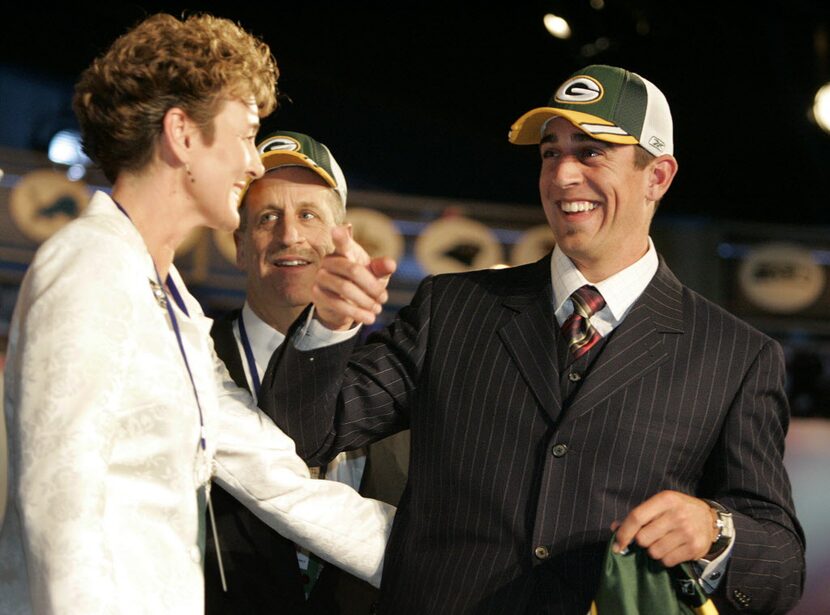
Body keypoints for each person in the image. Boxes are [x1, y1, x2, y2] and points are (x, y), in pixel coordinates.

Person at [260, 65, 805, 614]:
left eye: (591, 152)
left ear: (657, 177)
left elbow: (781, 562)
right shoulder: (450, 308)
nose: (563, 175)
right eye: (550, 153)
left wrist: (714, 528)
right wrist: (328, 324)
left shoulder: (735, 354)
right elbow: (306, 432)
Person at [0, 14, 394, 615]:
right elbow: (57, 505)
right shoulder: (89, 265)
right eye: (244, 135)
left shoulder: (174, 301)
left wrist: (451, 556)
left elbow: (275, 479)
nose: (254, 163)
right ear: (182, 135)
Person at [205, 131, 409, 614]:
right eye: (267, 218)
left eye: (309, 216)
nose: (289, 235)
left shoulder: (397, 369)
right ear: (238, 245)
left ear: (343, 238)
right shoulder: (191, 356)